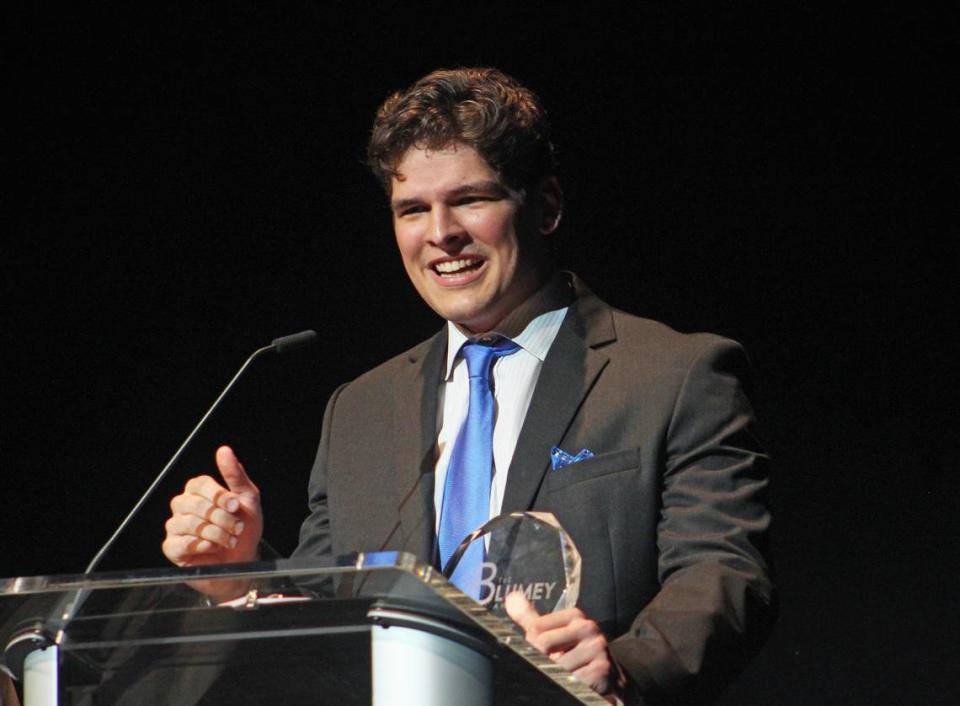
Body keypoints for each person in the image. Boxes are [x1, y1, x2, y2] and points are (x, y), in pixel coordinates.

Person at [162, 67, 775, 704]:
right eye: (412, 210)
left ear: (546, 207)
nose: (440, 233)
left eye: (471, 200)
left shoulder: (673, 375)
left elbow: (723, 575)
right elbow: (327, 612)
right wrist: (240, 576)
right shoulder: (360, 410)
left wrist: (622, 669)